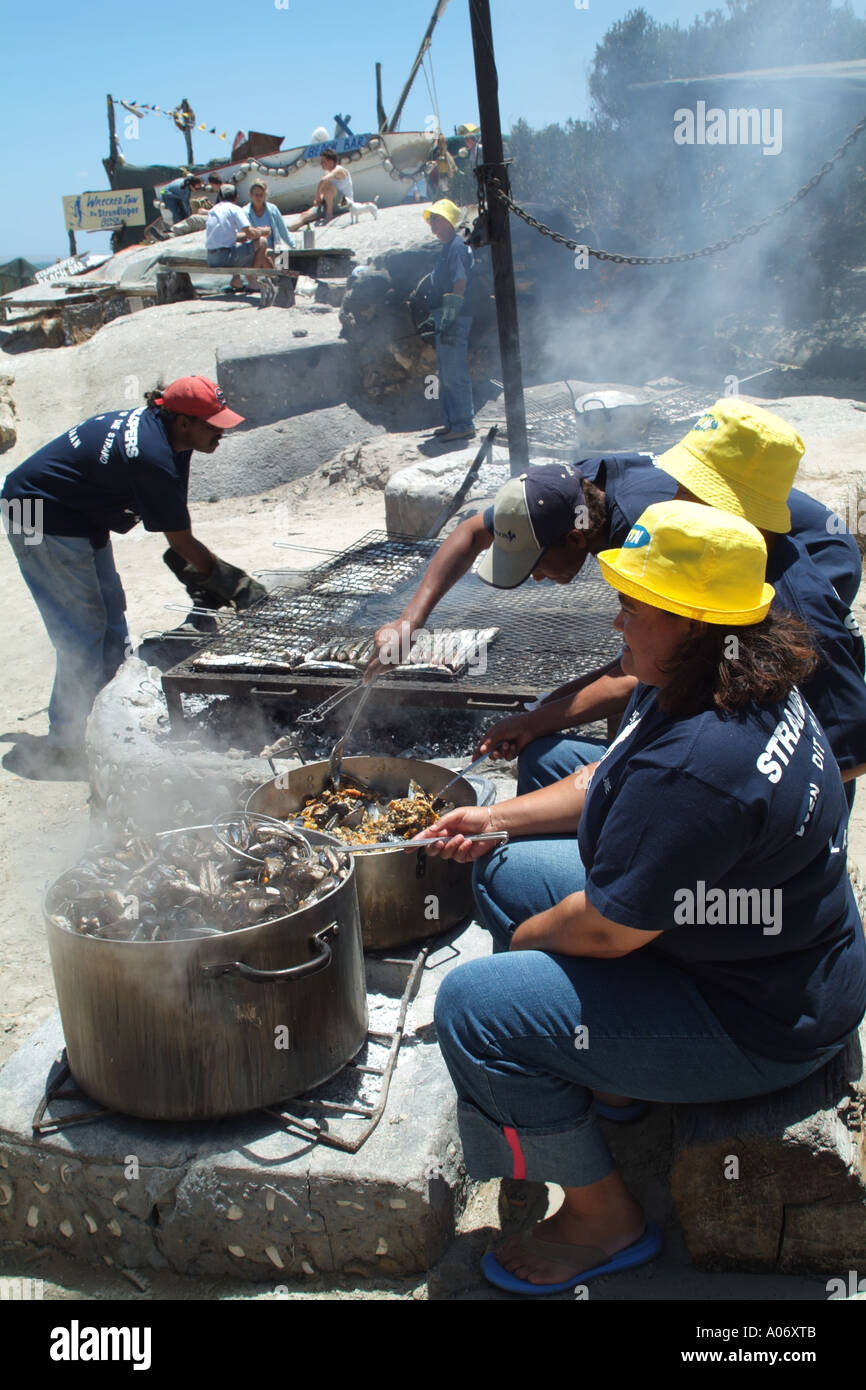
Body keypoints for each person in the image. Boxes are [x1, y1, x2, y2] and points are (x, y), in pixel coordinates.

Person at [422, 500, 866, 1296]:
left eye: (635, 605)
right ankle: (617, 1082)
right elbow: (603, 777)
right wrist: (496, 817)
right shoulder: (719, 676)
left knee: (476, 1005)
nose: (617, 618)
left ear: (694, 623)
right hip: (753, 940)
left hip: (764, 1016)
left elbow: (606, 929)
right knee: (498, 868)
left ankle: (604, 1219)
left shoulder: (702, 761)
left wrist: (529, 945)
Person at [1, 377, 266, 766]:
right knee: (80, 632)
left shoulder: (173, 440)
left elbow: (174, 523)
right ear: (184, 422)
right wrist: (234, 584)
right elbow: (179, 540)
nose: (222, 432)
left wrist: (192, 565)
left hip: (76, 515)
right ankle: (68, 743)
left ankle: (108, 715)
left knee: (111, 617)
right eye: (214, 425)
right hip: (33, 511)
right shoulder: (152, 454)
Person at [421, 198, 476, 443]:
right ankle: (453, 422)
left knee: (454, 372)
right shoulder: (448, 248)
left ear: (447, 221)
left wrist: (451, 316)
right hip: (445, 315)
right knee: (446, 370)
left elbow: (460, 282)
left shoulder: (457, 247)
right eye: (431, 219)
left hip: (453, 315)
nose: (432, 224)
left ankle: (463, 424)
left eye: (436, 219)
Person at [205, 183, 272, 292]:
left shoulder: (213, 210)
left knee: (240, 246)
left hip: (211, 258)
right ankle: (253, 282)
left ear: (220, 197)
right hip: (226, 258)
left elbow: (228, 236)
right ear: (236, 197)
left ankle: (237, 280)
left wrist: (244, 237)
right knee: (262, 242)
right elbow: (251, 233)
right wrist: (263, 231)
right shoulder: (235, 209)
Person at [287, 150, 354, 230]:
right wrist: (320, 200)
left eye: (323, 161)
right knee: (305, 215)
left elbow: (323, 181)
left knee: (328, 185)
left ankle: (329, 214)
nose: (321, 163)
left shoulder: (339, 170)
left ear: (330, 161)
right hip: (330, 204)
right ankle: (289, 228)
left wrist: (317, 196)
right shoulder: (327, 172)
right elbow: (324, 191)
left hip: (344, 203)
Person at [243, 179, 295, 256]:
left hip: (274, 249)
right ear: (250, 195)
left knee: (284, 258)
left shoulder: (273, 209)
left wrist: (294, 247)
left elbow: (283, 231)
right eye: (256, 195)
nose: (259, 198)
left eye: (261, 195)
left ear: (265, 195)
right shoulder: (244, 212)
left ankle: (284, 267)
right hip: (255, 251)